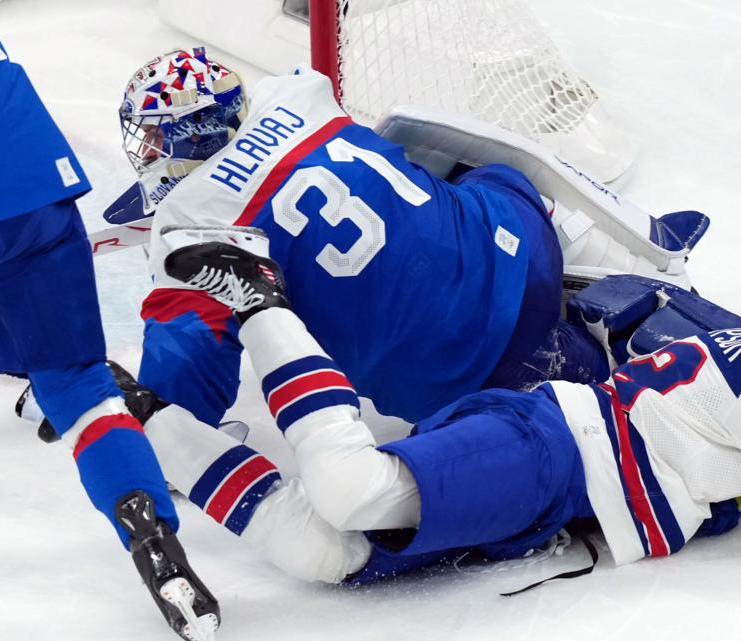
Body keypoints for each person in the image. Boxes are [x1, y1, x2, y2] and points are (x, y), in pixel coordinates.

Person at [121, 227, 741, 587]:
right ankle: (262, 305)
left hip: (561, 492)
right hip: (555, 451)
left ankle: (148, 423)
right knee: (348, 489)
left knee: (320, 552)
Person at [119, 47, 706, 430]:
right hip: (522, 254)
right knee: (485, 174)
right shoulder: (301, 95)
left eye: (152, 139)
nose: (145, 154)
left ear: (191, 134)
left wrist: (165, 425)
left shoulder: (191, 227)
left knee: (592, 402)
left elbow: (186, 367)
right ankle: (607, 252)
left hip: (451, 374)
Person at [0, 41, 218, 640]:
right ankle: (150, 533)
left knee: (51, 369)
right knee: (76, 379)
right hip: (34, 184)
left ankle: (46, 382)